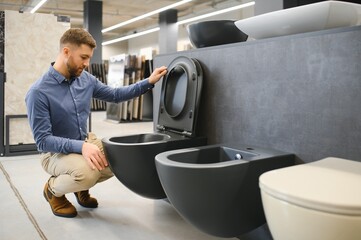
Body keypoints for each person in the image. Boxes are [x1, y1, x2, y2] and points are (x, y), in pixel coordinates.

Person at [25, 28, 167, 218]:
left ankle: (80, 187)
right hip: (54, 153)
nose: (87, 63)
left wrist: (149, 81)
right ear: (66, 52)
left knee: (121, 159)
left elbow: (115, 95)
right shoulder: (39, 92)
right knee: (87, 173)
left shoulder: (86, 80)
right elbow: (42, 141)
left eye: (89, 58)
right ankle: (53, 191)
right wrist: (82, 147)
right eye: (83, 57)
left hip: (84, 141)